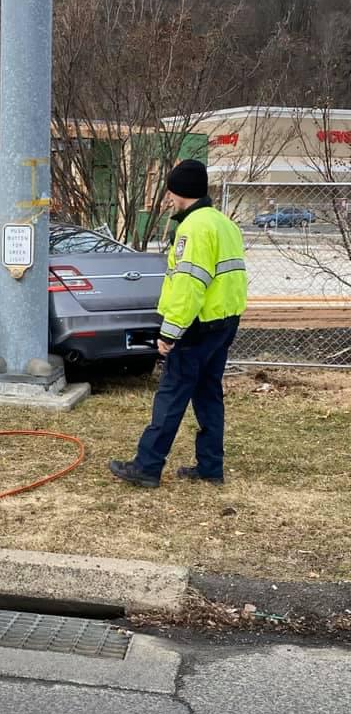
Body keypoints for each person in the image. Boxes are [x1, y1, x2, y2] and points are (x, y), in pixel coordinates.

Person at [109, 159, 247, 488]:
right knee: (208, 394)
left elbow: (189, 285)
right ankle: (211, 467)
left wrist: (169, 333)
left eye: (170, 191)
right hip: (224, 321)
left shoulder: (193, 228)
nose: (168, 198)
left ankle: (146, 466)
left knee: (171, 396)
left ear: (178, 191)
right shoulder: (223, 223)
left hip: (196, 327)